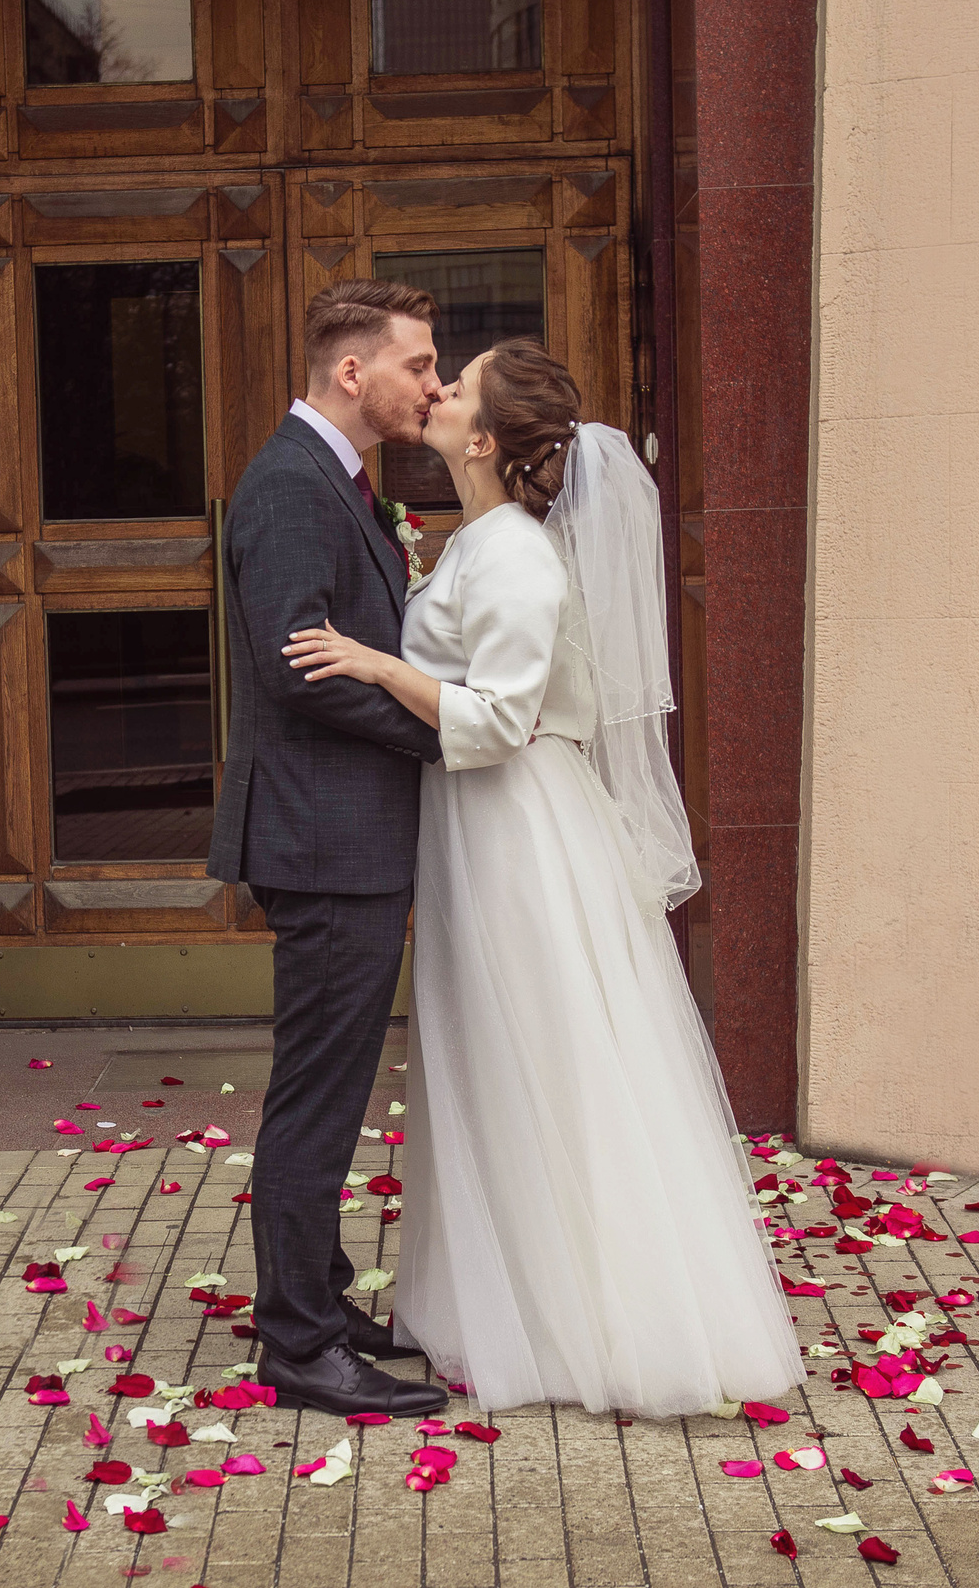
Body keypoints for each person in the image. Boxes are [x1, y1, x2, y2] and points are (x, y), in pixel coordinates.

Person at [281, 339, 805, 1416]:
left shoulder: (513, 553)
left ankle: (596, 1313)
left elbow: (505, 718)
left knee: (545, 1058)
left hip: (517, 832)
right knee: (494, 1061)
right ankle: (505, 1292)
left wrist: (380, 662)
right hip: (477, 826)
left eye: (453, 383)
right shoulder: (478, 543)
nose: (434, 389)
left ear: (479, 439)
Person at [206, 278, 452, 1419]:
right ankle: (298, 1345)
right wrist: (445, 735)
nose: (433, 385)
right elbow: (298, 664)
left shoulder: (332, 480)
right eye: (419, 363)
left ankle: (317, 1292)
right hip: (321, 836)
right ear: (352, 371)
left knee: (333, 1086)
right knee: (315, 1097)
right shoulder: (292, 487)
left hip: (340, 833)